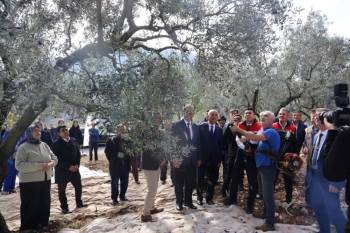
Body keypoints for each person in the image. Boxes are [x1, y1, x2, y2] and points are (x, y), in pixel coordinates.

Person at [231, 111, 280, 231]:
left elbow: (256, 137)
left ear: (272, 120)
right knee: (263, 193)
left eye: (266, 116)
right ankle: (268, 216)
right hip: (262, 167)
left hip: (268, 168)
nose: (263, 118)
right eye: (262, 116)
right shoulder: (263, 130)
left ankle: (270, 223)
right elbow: (252, 137)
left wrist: (239, 129)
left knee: (268, 196)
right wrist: (243, 137)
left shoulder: (271, 131)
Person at [304, 108, 347, 233]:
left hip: (329, 181)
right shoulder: (316, 134)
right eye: (315, 116)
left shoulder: (337, 135)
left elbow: (343, 161)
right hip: (314, 178)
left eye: (319, 116)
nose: (316, 118)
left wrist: (337, 183)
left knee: (334, 212)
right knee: (319, 209)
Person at [15, 125, 58, 232]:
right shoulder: (23, 147)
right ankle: (28, 227)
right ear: (29, 133)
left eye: (40, 131)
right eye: (35, 131)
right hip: (29, 182)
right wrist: (39, 166)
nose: (39, 133)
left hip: (45, 180)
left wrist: (52, 163)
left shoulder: (44, 145)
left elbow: (54, 158)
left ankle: (43, 223)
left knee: (44, 203)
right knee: (30, 204)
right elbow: (19, 165)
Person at [225, 108, 261, 215]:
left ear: (254, 115)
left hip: (253, 155)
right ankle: (232, 200)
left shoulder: (259, 125)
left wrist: (248, 138)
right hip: (241, 153)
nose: (247, 115)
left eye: (249, 113)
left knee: (252, 180)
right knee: (234, 177)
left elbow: (257, 139)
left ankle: (250, 204)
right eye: (245, 113)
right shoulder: (240, 124)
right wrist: (245, 145)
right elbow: (237, 139)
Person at [171, 105, 201, 211]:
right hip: (179, 160)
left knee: (190, 183)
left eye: (192, 111)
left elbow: (198, 144)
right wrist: (174, 158)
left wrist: (198, 158)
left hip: (192, 161)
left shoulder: (196, 127)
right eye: (188, 111)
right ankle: (179, 203)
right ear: (184, 112)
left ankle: (188, 202)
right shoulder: (175, 125)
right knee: (179, 183)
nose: (190, 113)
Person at [53, 125, 87, 214]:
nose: (66, 132)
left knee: (78, 187)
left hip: (75, 170)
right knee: (62, 191)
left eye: (66, 130)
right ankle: (64, 208)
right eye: (63, 131)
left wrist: (77, 165)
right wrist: (68, 167)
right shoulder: (56, 144)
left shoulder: (74, 140)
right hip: (62, 171)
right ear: (59, 134)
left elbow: (78, 154)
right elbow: (57, 159)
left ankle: (79, 203)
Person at [141, 113, 165, 222]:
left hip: (155, 165)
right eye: (156, 118)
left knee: (154, 189)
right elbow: (149, 150)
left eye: (159, 119)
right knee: (152, 190)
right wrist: (160, 160)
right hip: (149, 165)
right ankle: (145, 214)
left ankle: (152, 208)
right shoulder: (147, 132)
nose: (158, 120)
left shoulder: (159, 132)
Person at [272, 108, 298, 206]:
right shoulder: (273, 126)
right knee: (273, 179)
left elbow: (295, 144)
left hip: (287, 159)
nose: (281, 115)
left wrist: (294, 155)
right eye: (280, 114)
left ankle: (288, 200)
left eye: (283, 114)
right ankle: (270, 200)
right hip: (275, 157)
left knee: (288, 179)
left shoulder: (292, 128)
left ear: (288, 116)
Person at [198, 109, 224, 205]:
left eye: (215, 115)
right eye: (211, 114)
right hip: (202, 159)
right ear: (207, 116)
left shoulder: (219, 130)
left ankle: (209, 198)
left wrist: (219, 160)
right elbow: (197, 144)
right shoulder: (200, 127)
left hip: (214, 160)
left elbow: (221, 146)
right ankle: (199, 197)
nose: (213, 116)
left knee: (212, 179)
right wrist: (198, 158)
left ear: (218, 117)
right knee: (200, 179)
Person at [105, 124, 131, 205]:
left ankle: (122, 196)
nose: (122, 131)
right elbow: (107, 152)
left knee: (125, 182)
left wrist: (126, 158)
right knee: (115, 183)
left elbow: (130, 152)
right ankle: (114, 199)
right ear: (117, 131)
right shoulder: (111, 140)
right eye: (120, 130)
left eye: (123, 130)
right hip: (115, 166)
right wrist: (113, 159)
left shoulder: (127, 140)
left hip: (125, 165)